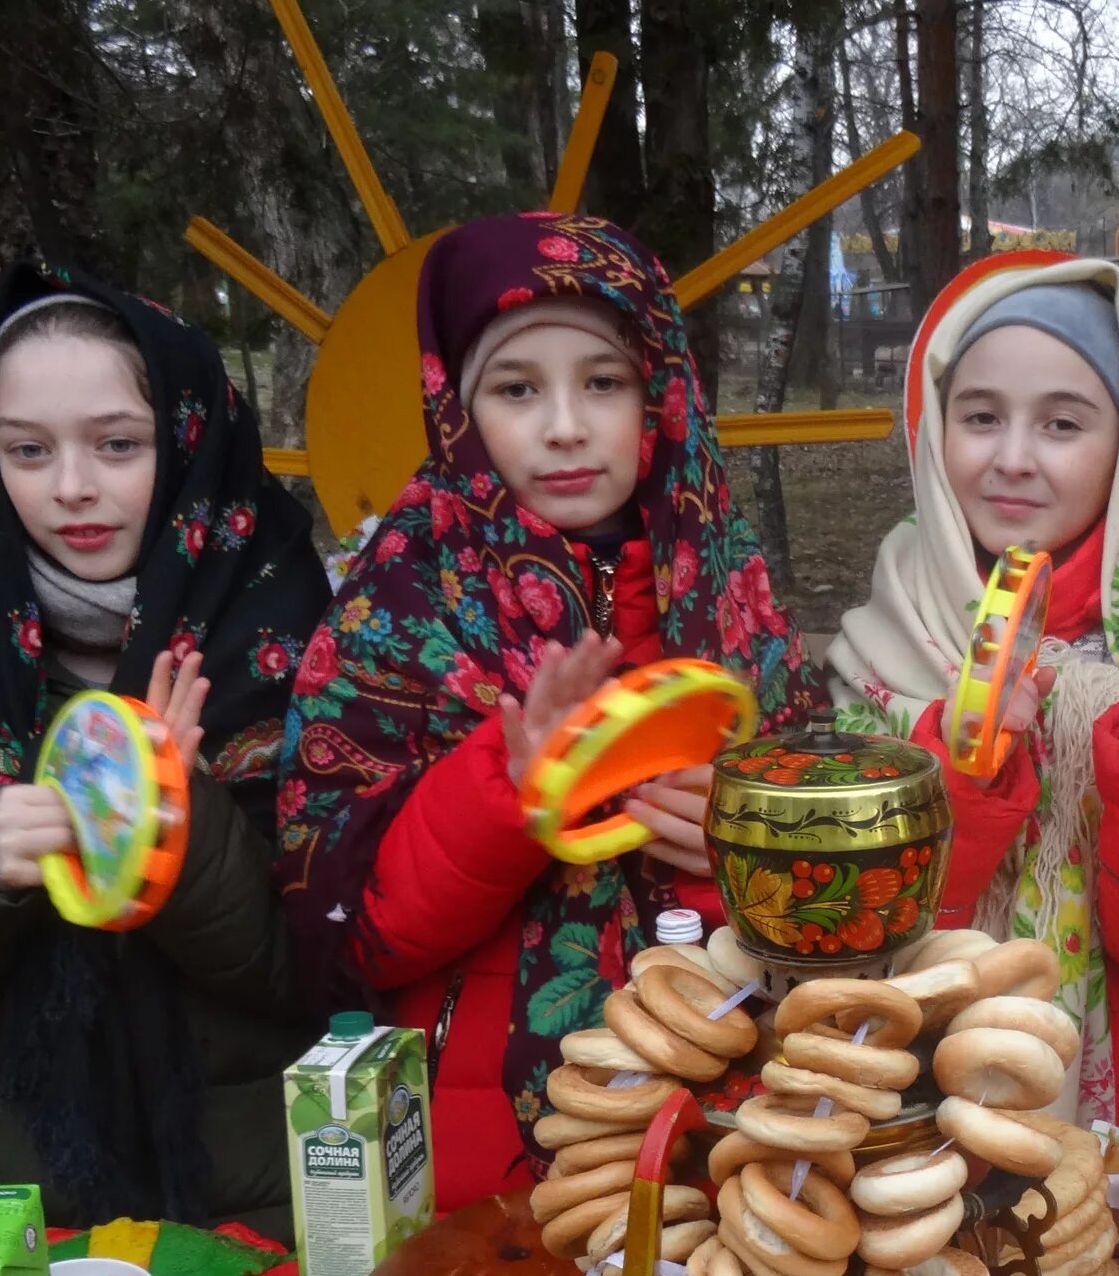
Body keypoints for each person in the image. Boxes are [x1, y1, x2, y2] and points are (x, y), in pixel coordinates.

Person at [275, 213, 821, 1205]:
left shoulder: (731, 601)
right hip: (479, 1152)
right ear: (456, 404)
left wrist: (739, 846)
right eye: (517, 387)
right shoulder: (397, 609)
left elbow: (826, 897)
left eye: (603, 382)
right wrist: (510, 797)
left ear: (660, 395)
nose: (564, 425)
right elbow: (352, 930)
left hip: (722, 1132)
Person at [0, 270, 330, 1239]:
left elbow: (323, 976)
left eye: (118, 445)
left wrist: (173, 830)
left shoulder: (306, 661)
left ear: (193, 440)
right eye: (27, 450)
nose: (71, 489)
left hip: (268, 1205)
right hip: (34, 1215)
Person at [831, 253, 1119, 1130]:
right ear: (934, 431)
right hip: (919, 1104)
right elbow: (861, 930)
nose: (1011, 458)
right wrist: (961, 766)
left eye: (1063, 424)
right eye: (980, 416)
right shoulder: (888, 640)